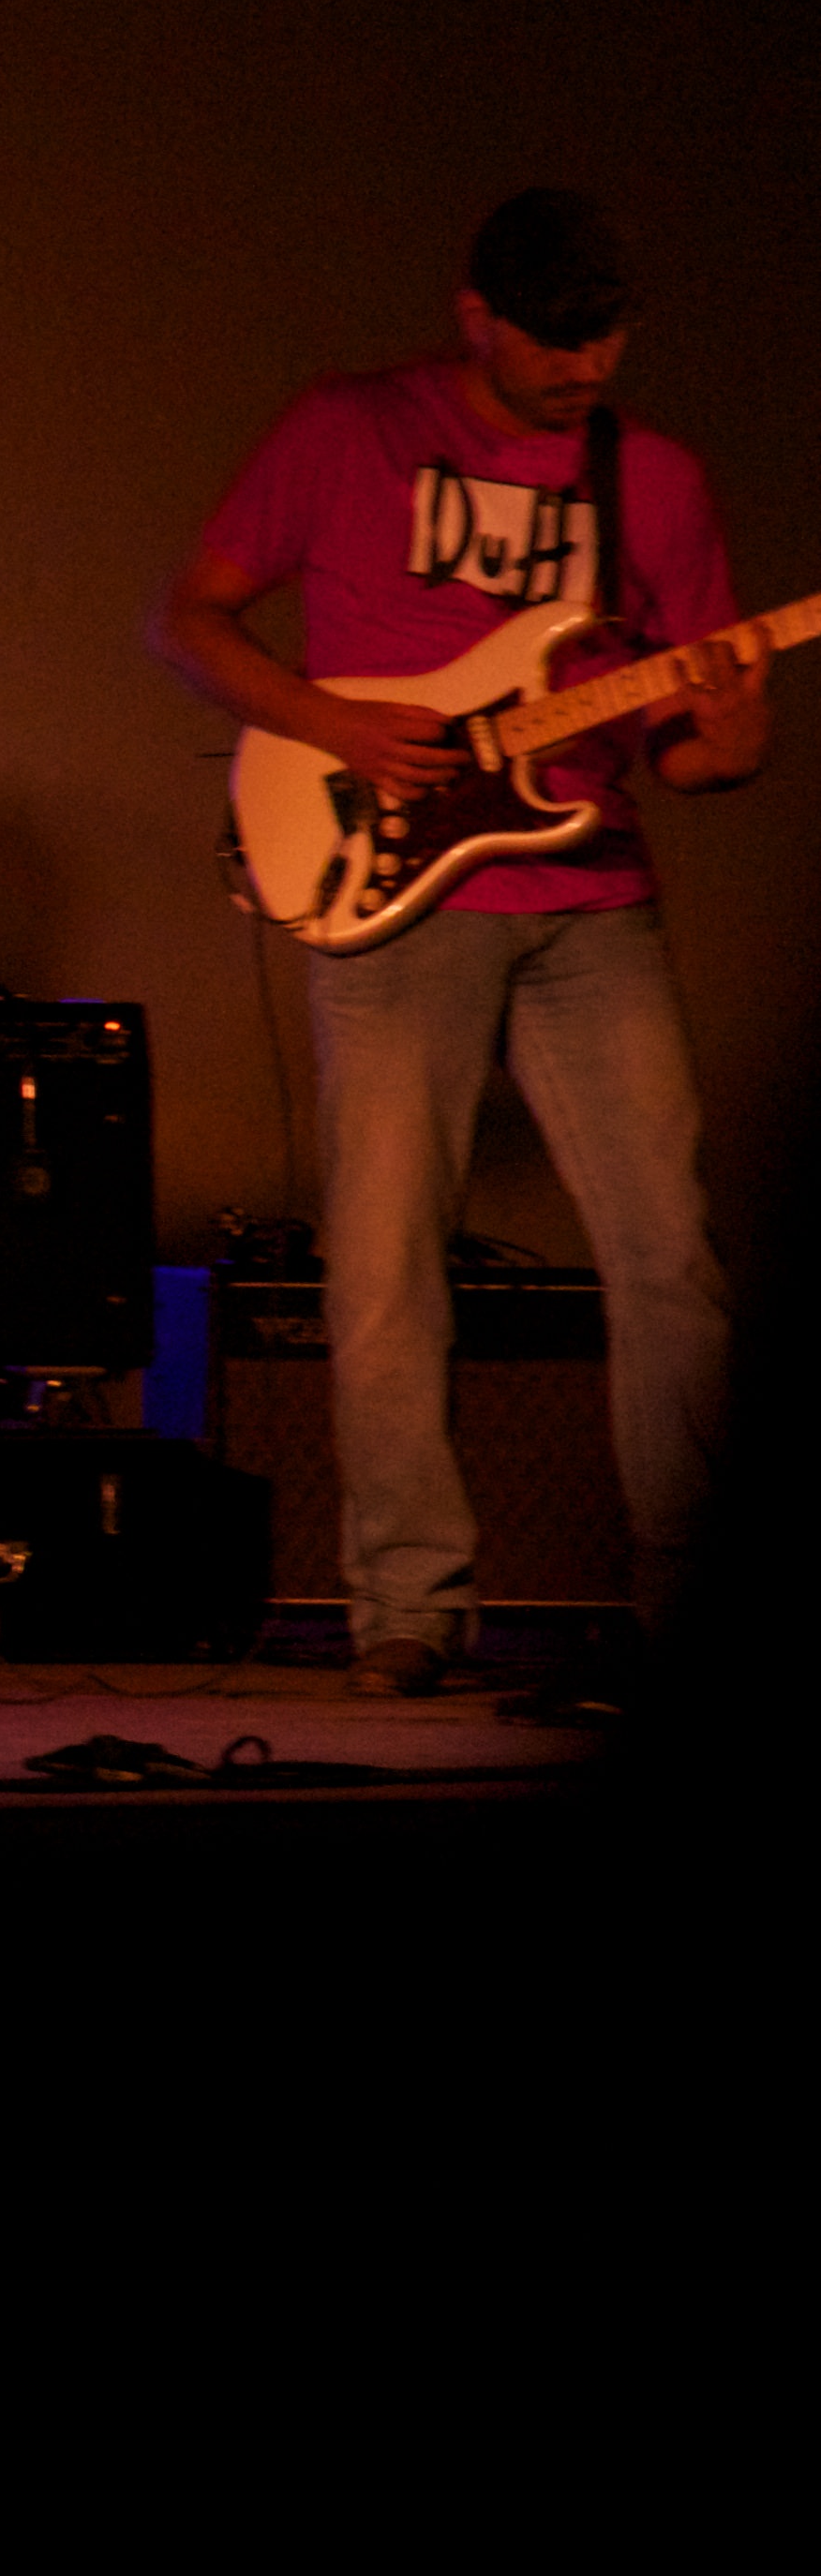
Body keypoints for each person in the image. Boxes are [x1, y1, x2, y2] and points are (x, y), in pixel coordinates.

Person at [150, 188, 771, 1696]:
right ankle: (405, 1608)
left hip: (589, 894)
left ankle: (684, 1592)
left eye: (604, 339)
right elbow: (191, 620)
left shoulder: (653, 479)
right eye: (552, 339)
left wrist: (732, 728)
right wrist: (331, 722)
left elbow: (692, 751)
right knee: (382, 1268)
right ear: (474, 316)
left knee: (668, 1256)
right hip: (392, 885)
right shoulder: (347, 428)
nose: (581, 367)